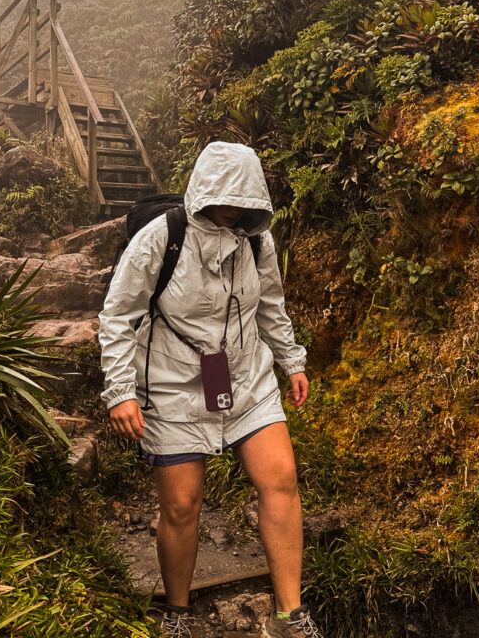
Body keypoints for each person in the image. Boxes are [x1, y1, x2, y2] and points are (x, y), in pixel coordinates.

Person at [98, 141, 324, 638]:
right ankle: (177, 613)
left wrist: (291, 360)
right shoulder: (162, 238)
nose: (229, 210)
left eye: (240, 201)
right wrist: (121, 390)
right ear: (200, 192)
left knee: (281, 479)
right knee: (182, 506)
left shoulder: (257, 242)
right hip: (174, 383)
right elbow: (118, 316)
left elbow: (270, 305)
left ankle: (291, 616)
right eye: (220, 199)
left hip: (245, 376)